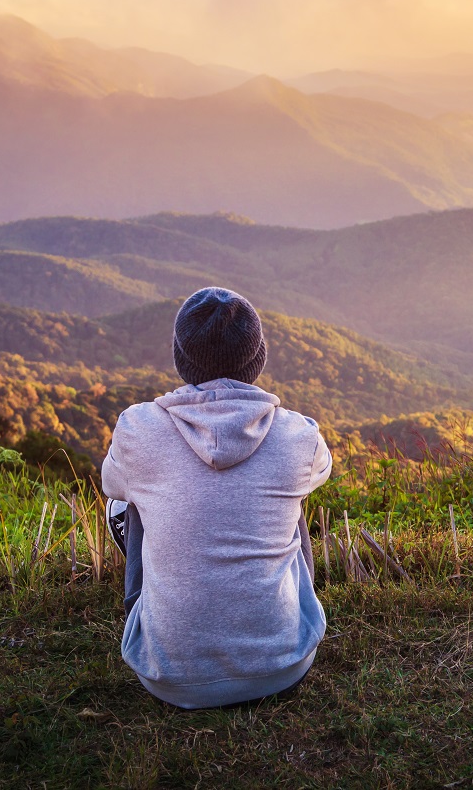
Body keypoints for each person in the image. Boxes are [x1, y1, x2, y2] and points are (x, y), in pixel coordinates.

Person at [101, 287, 332, 709]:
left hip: (168, 678)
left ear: (181, 358)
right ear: (258, 358)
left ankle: (148, 615)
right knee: (291, 500)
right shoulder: (299, 435)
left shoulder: (137, 428)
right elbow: (322, 471)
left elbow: (110, 484)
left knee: (127, 502)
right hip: (285, 666)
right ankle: (277, 617)